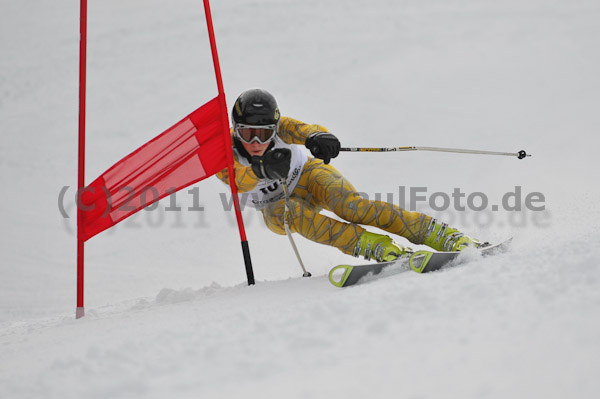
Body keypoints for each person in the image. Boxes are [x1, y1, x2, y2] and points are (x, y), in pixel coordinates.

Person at [216, 88, 482, 264]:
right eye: (246, 132)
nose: (254, 141)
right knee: (285, 215)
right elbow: (238, 181)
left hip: (307, 176)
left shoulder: (282, 127)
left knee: (352, 206)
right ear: (235, 128)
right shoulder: (223, 152)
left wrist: (319, 137)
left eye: (263, 134)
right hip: (274, 205)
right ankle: (373, 245)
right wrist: (261, 169)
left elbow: (307, 130)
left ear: (273, 128)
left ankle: (437, 233)